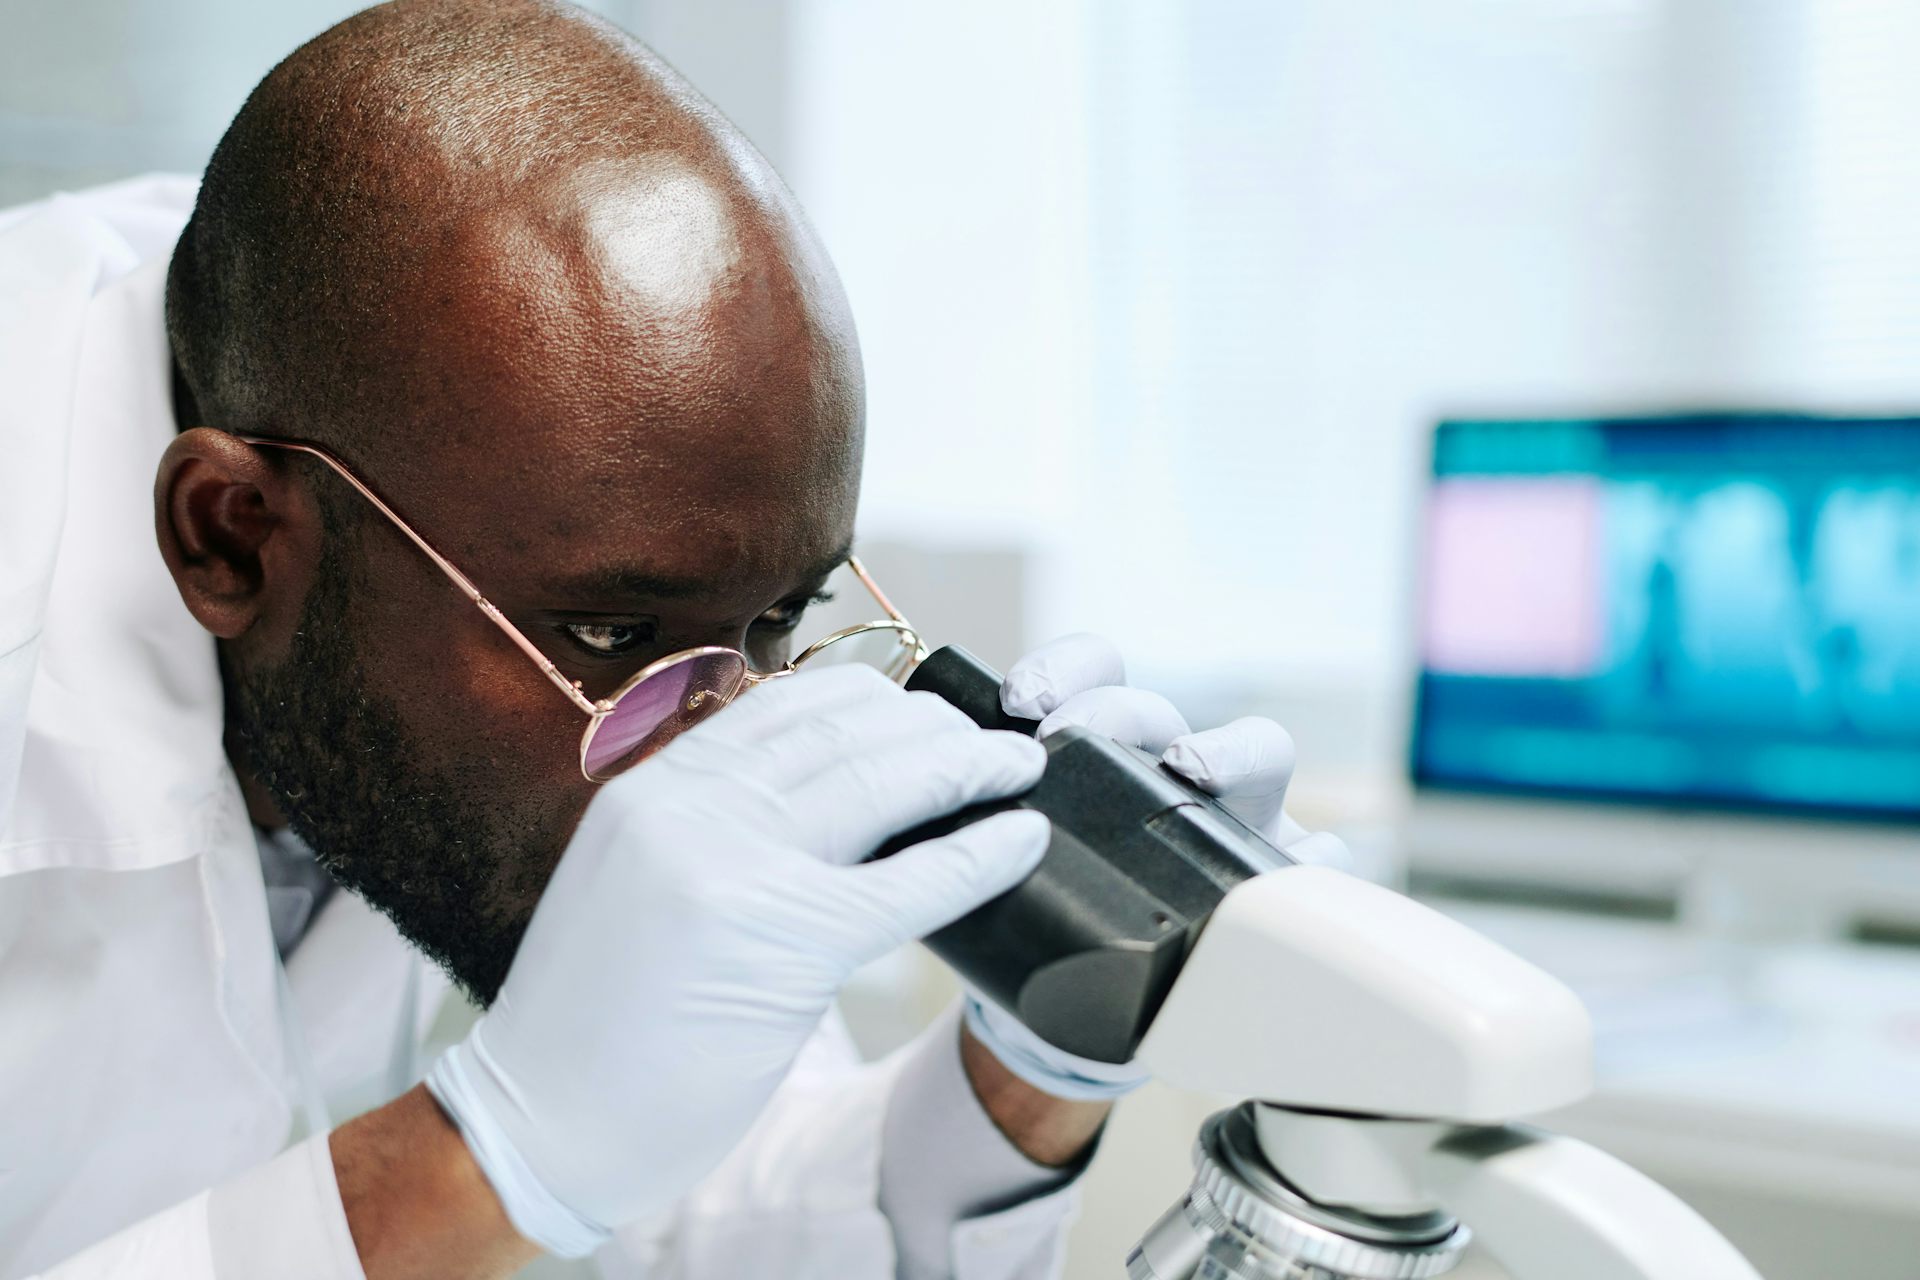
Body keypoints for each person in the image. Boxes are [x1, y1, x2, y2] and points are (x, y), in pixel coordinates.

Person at [0, 3, 1325, 1277]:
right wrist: (484, 1161)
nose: (693, 757)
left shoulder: (473, 522)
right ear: (233, 536)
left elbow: (721, 1215)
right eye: (610, 629)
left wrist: (1037, 1055)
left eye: (777, 624)